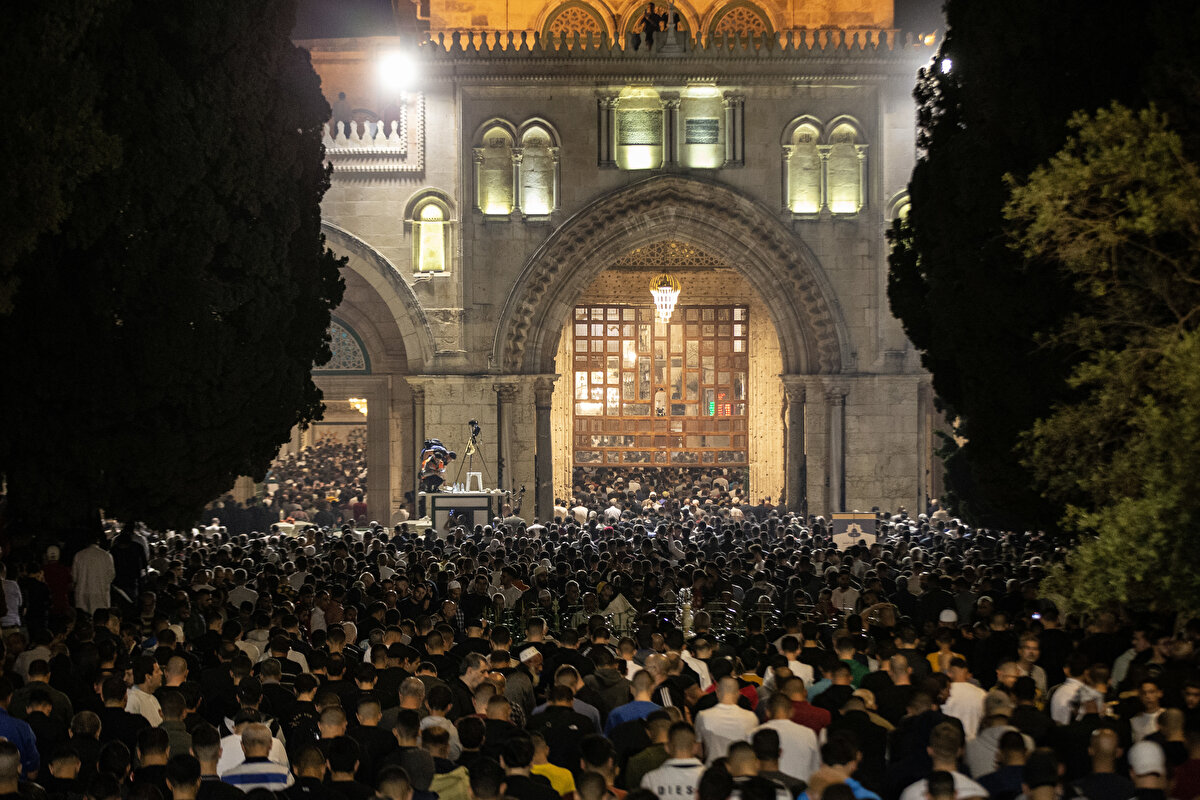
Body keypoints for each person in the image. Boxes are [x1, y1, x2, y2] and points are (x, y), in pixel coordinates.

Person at [72, 535, 115, 614]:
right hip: (101, 593)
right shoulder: (106, 556)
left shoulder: (79, 555)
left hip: (82, 593)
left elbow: (74, 577)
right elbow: (111, 575)